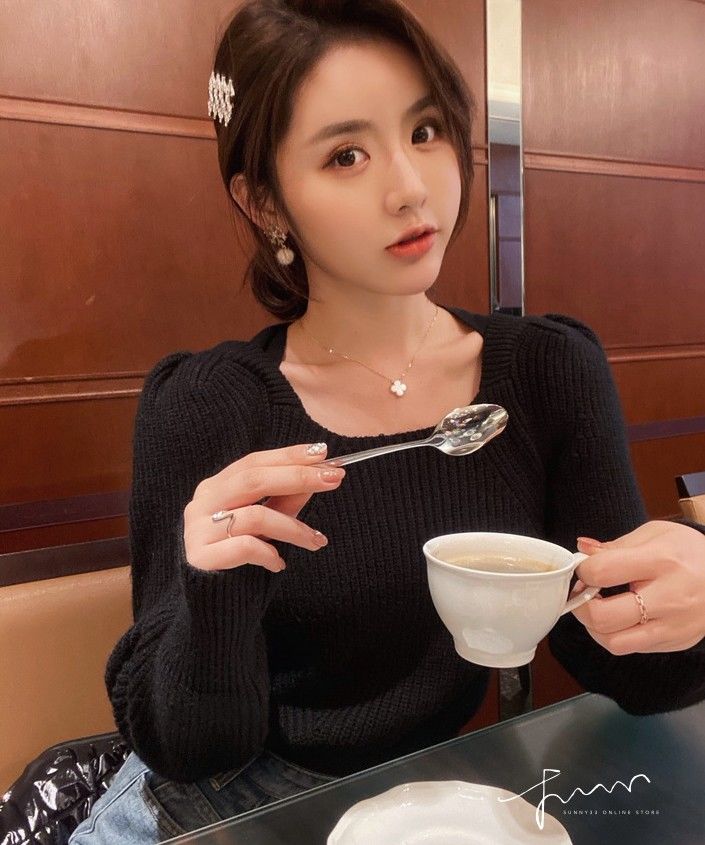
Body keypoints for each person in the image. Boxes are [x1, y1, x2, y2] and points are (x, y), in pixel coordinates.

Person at [69, 0, 705, 841]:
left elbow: (624, 666)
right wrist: (214, 591)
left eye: (425, 131)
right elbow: (186, 747)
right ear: (264, 201)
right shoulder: (206, 403)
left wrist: (687, 597)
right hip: (213, 811)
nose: (409, 187)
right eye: (346, 155)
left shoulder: (547, 371)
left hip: (425, 806)